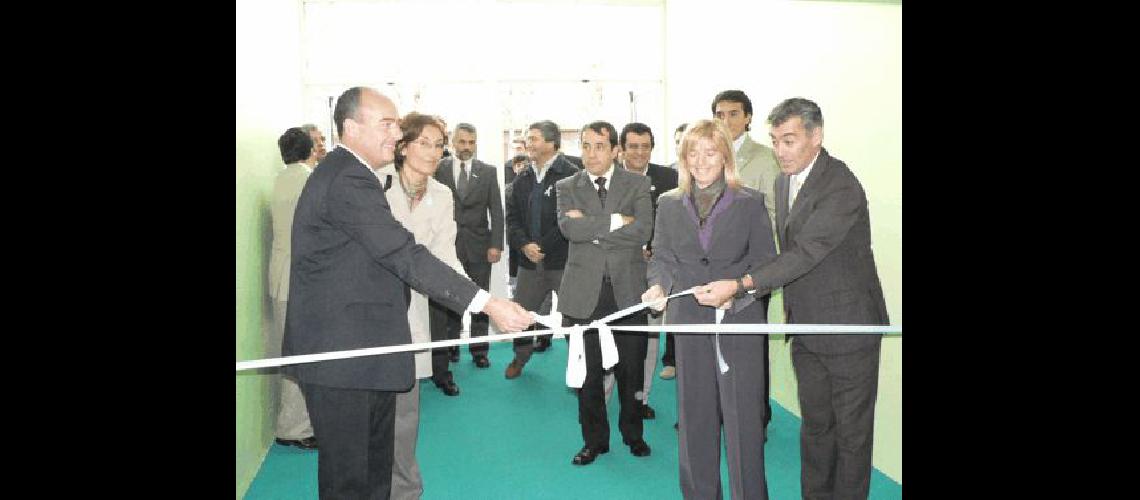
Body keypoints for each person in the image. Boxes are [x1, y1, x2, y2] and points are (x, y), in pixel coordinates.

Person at [282, 86, 533, 499]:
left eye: (397, 124)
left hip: (370, 350)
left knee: (376, 471)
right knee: (350, 481)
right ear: (350, 128)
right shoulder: (347, 178)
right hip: (343, 357)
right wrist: (487, 303)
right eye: (386, 124)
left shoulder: (356, 175)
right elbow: (403, 253)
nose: (396, 134)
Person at [697, 97, 889, 500]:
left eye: (789, 140)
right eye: (775, 140)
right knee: (816, 427)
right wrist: (736, 277)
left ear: (816, 137)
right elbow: (780, 254)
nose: (780, 151)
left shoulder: (841, 185)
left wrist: (743, 284)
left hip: (850, 329)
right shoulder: (786, 180)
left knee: (852, 434)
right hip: (806, 326)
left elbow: (805, 253)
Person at [642, 119, 777, 499]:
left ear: (725, 156)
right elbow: (662, 257)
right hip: (689, 322)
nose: (701, 161)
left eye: (710, 152)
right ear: (683, 157)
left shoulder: (750, 203)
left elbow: (766, 264)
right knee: (695, 418)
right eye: (693, 152)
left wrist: (735, 293)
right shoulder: (667, 203)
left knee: (742, 422)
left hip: (739, 321)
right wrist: (657, 286)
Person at [373, 112, 464, 499]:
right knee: (370, 414)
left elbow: (446, 257)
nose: (433, 151)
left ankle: (405, 491)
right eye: (424, 142)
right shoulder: (374, 186)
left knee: (406, 413)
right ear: (403, 144)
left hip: (412, 315)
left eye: (439, 143)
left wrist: (488, 302)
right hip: (370, 312)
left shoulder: (442, 195)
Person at [556, 121, 654, 465]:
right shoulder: (566, 185)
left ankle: (633, 434)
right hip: (582, 296)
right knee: (588, 376)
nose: (591, 154)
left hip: (627, 292)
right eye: (585, 146)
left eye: (599, 146)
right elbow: (570, 228)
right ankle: (594, 441)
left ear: (615, 150)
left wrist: (593, 227)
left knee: (631, 371)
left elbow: (644, 229)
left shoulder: (639, 183)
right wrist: (617, 221)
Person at [712, 89, 779, 426]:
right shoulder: (708, 156)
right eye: (720, 115)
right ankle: (717, 410)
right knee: (713, 343)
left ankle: (757, 417)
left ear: (749, 117)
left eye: (734, 114)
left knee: (751, 348)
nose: (726, 121)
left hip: (751, 270)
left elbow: (774, 214)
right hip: (712, 268)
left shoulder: (765, 159)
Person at [503, 120, 578, 379]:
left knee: (572, 318)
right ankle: (520, 359)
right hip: (529, 264)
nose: (528, 143)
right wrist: (524, 245)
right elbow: (511, 218)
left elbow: (570, 219)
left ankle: (580, 366)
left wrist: (542, 246)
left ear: (551, 142)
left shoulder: (572, 173)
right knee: (521, 315)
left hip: (564, 262)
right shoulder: (522, 175)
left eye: (533, 138)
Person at [615, 122, 677, 420]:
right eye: (633, 146)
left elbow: (677, 221)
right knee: (614, 336)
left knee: (651, 338)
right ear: (622, 149)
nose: (639, 152)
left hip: (656, 273)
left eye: (645, 146)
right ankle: (606, 393)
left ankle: (641, 397)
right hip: (616, 270)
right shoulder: (607, 179)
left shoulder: (669, 178)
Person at [432, 123, 504, 372]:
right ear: (453, 142)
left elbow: (496, 209)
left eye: (471, 143)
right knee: (449, 297)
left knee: (481, 299)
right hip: (447, 246)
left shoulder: (488, 172)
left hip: (480, 246)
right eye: (462, 142)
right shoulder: (438, 168)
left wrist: (497, 244)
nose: (467, 148)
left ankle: (479, 350)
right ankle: (450, 346)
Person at [267, 127, 317, 451]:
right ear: (309, 149)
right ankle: (295, 427)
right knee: (301, 356)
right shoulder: (308, 179)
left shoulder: (280, 180)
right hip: (299, 278)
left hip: (281, 274)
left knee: (293, 354)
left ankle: (294, 424)